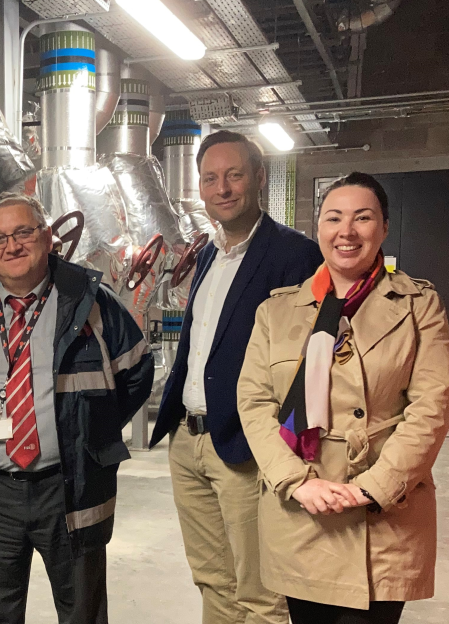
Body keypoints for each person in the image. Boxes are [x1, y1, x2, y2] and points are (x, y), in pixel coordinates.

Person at [0, 192, 155, 624]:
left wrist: (92, 433)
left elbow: (137, 371)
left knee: (82, 610)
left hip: (69, 483)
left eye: (23, 233)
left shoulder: (91, 302)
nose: (11, 246)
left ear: (48, 237)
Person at [238, 172, 449, 624]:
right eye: (334, 218)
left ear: (384, 228)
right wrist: (297, 481)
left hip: (383, 514)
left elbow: (431, 408)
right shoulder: (276, 311)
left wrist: (372, 488)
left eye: (363, 217)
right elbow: (254, 404)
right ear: (319, 228)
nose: (346, 231)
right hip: (302, 512)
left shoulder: (417, 306)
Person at [149, 130, 322, 624]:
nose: (222, 188)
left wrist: (286, 445)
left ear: (259, 179)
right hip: (189, 440)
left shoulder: (294, 255)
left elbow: (309, 361)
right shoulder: (208, 255)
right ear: (200, 188)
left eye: (234, 175)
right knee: (212, 579)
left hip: (246, 447)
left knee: (261, 591)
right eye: (210, 178)